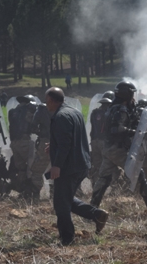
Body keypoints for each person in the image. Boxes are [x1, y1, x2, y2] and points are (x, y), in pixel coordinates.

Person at [90, 81, 147, 211]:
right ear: (127, 94)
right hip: (117, 149)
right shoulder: (120, 109)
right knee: (138, 171)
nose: (133, 97)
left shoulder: (115, 108)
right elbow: (117, 129)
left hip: (110, 148)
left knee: (104, 177)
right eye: (132, 94)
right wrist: (135, 133)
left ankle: (92, 207)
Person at [45, 87, 108, 243]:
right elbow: (70, 137)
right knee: (65, 198)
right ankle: (97, 215)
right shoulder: (74, 112)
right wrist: (53, 146)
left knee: (61, 205)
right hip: (81, 164)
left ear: (51, 101)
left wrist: (57, 165)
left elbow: (66, 143)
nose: (46, 104)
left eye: (47, 101)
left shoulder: (60, 116)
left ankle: (67, 239)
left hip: (68, 167)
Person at [8, 95, 38, 196]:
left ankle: (22, 189)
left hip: (14, 143)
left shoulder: (13, 112)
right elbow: (34, 124)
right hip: (25, 141)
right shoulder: (29, 110)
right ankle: (31, 192)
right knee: (32, 168)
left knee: (21, 168)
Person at [89, 91, 115, 185]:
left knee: (97, 165)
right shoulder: (109, 113)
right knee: (109, 164)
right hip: (104, 142)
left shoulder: (94, 112)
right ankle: (112, 185)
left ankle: (96, 185)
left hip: (94, 141)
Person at [28, 102, 52, 200]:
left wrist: (40, 132)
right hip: (61, 143)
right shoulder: (63, 109)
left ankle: (35, 195)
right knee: (56, 167)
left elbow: (33, 127)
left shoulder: (41, 110)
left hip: (45, 142)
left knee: (37, 170)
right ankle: (55, 194)